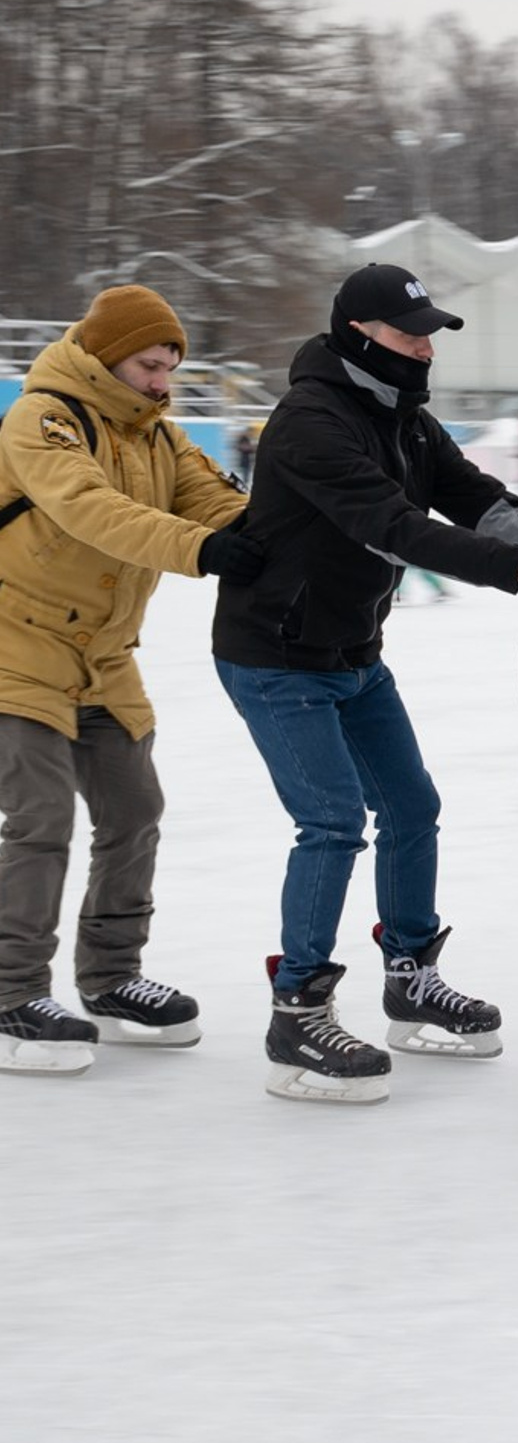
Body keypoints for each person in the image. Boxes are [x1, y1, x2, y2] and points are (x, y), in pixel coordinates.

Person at [213, 262, 518, 1103]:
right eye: (409, 334)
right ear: (358, 337)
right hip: (275, 655)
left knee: (412, 807)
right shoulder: (311, 422)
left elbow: (478, 501)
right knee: (334, 820)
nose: (424, 348)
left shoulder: (407, 420)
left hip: (352, 653)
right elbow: (391, 528)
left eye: (429, 334)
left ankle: (410, 974)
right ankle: (297, 1008)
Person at [0, 286, 264, 1072]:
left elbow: (220, 503)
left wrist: (294, 534)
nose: (161, 381)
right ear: (107, 351)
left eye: (170, 367)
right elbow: (89, 508)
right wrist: (201, 552)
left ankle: (111, 978)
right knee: (41, 817)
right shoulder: (43, 418)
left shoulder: (160, 438)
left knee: (134, 809)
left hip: (104, 658)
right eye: (150, 364)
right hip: (17, 645)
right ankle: (12, 992)